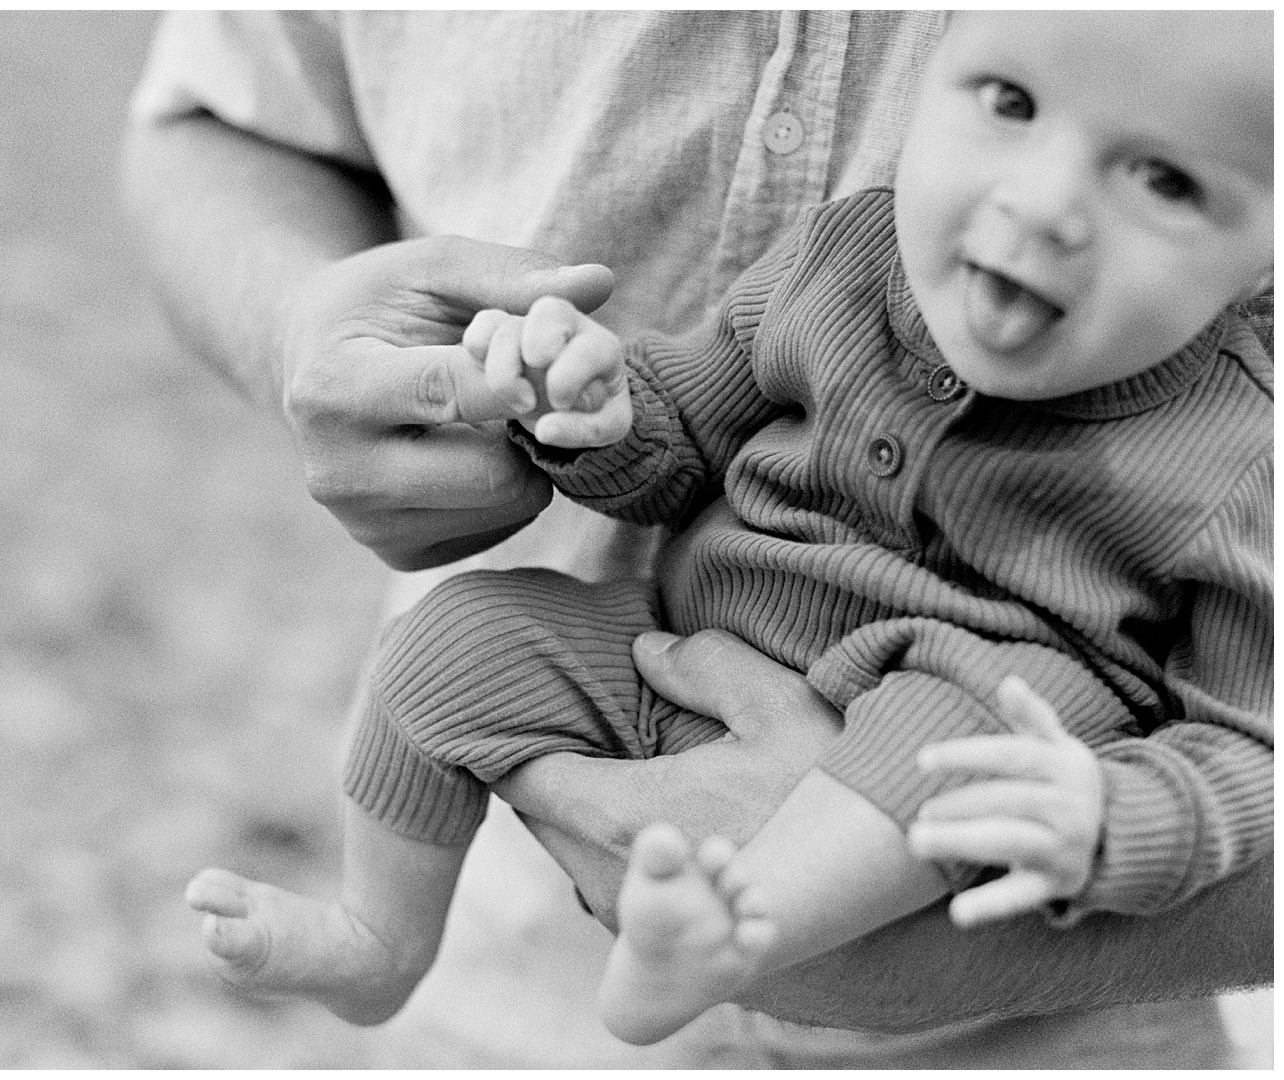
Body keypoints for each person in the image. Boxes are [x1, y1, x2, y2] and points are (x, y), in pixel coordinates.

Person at [122, 10, 1272, 1068]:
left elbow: (1246, 751)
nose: (1041, 204)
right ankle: (378, 939)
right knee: (462, 635)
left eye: (1163, 179)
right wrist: (594, 408)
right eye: (1008, 105)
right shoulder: (847, 257)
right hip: (627, 714)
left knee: (964, 718)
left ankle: (734, 932)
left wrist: (1115, 820)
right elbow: (690, 428)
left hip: (995, 916)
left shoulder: (1237, 456)